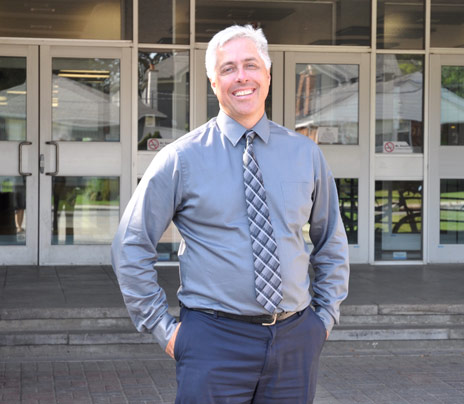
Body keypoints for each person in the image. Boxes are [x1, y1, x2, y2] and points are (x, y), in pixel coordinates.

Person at [112, 24, 349, 403]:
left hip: (295, 341)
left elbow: (331, 239)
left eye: (251, 65)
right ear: (213, 82)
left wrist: (323, 320)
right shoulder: (180, 158)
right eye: (228, 68)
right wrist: (164, 328)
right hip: (212, 342)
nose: (242, 77)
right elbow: (130, 244)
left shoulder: (306, 155)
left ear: (267, 75)